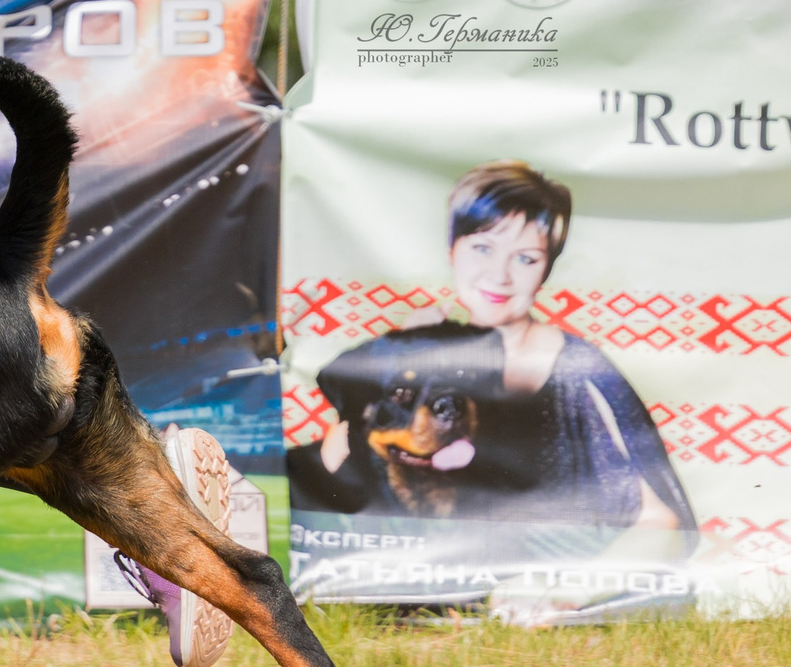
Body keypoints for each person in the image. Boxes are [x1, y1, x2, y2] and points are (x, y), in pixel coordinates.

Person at [291, 161, 692, 535]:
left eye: (526, 258)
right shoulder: (416, 348)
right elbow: (334, 468)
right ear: (452, 250)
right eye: (482, 248)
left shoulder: (577, 367)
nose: (499, 275)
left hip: (547, 566)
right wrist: (399, 352)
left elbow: (662, 520)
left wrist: (563, 592)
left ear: (548, 267)